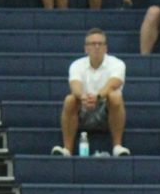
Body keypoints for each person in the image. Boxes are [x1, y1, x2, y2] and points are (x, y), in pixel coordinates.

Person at [52, 29, 130, 158]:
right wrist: (83, 97)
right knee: (70, 99)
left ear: (106, 48)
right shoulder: (76, 65)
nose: (97, 47)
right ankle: (67, 149)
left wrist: (97, 97)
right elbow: (75, 86)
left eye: (100, 43)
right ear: (86, 48)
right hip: (84, 107)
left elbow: (113, 84)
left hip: (106, 110)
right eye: (92, 44)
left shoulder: (118, 64)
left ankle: (117, 146)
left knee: (115, 97)